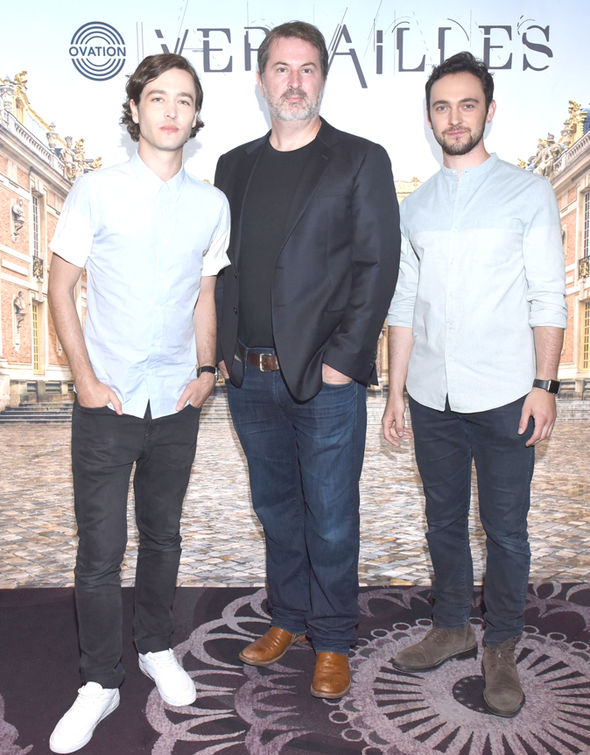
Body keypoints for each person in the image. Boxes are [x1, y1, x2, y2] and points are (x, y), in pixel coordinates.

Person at [47, 53, 230, 753]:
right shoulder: (95, 191)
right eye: (158, 97)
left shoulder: (211, 205)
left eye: (184, 99)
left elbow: (205, 294)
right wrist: (85, 379)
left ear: (195, 114)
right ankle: (100, 681)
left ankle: (155, 646)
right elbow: (61, 287)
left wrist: (207, 371)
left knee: (163, 537)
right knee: (100, 551)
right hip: (108, 401)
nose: (171, 110)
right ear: (134, 109)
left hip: (177, 400)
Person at [215, 21, 400, 699]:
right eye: (281, 68)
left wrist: (344, 362)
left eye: (308, 68)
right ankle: (289, 617)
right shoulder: (232, 165)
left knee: (330, 515)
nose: (294, 82)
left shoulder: (360, 159)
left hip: (324, 381)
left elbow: (377, 266)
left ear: (323, 77)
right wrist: (223, 354)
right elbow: (224, 268)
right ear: (261, 79)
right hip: (249, 377)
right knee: (277, 509)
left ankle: (333, 637)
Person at [382, 51, 566, 718]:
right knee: (442, 520)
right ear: (429, 117)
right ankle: (453, 627)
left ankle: (502, 645)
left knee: (506, 529)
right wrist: (395, 391)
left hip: (508, 395)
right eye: (442, 106)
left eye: (466, 104)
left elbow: (548, 295)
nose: (454, 117)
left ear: (490, 110)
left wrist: (545, 384)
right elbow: (404, 304)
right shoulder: (417, 206)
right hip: (431, 396)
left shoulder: (528, 192)